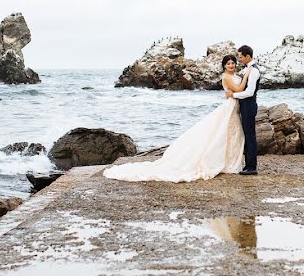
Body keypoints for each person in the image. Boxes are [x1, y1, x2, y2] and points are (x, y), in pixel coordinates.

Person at [102, 54, 249, 182]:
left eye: (233, 63)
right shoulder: (226, 77)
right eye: (228, 64)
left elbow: (237, 91)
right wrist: (247, 76)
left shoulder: (235, 76)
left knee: (232, 134)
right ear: (224, 66)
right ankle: (224, 162)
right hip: (229, 107)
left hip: (234, 106)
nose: (231, 65)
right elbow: (238, 90)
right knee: (224, 133)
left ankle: (230, 162)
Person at [226, 45, 261, 175]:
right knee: (247, 134)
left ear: (247, 56)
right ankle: (248, 165)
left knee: (250, 135)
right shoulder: (248, 69)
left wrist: (233, 95)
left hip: (249, 105)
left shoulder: (254, 71)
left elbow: (250, 92)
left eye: (241, 57)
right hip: (245, 105)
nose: (239, 60)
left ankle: (252, 167)